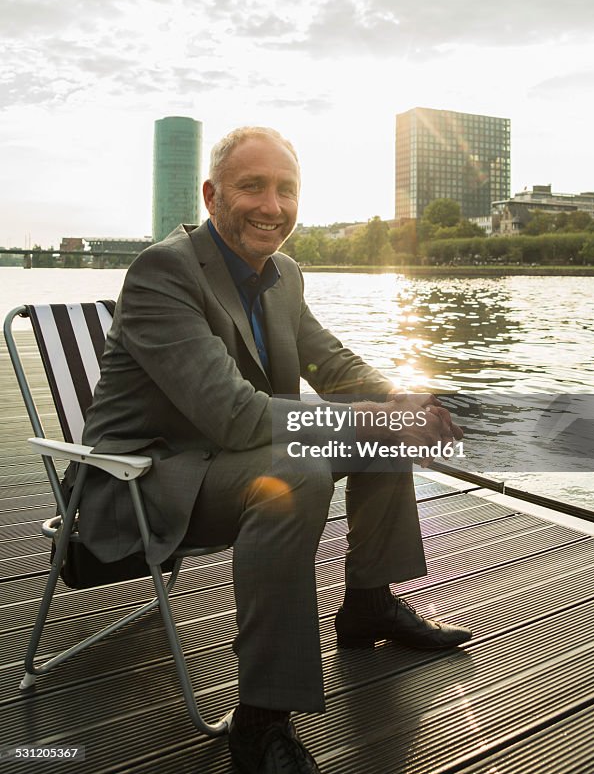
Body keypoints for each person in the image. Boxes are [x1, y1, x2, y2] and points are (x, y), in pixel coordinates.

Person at [79, 126, 471, 774]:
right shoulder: (163, 272)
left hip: (233, 456)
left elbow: (333, 364)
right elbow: (233, 414)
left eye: (285, 189)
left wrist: (401, 401)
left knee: (381, 437)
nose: (271, 205)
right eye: (251, 186)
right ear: (211, 195)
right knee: (299, 473)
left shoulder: (284, 272)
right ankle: (261, 722)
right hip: (146, 478)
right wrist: (366, 417)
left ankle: (368, 603)